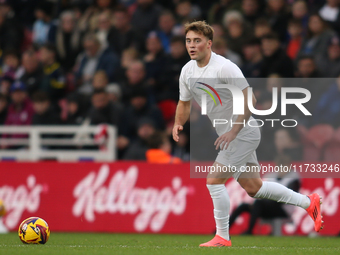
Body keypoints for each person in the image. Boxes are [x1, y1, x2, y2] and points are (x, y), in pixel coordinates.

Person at [172, 21, 323, 247]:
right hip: (231, 134)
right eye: (188, 41)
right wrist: (177, 123)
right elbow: (184, 103)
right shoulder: (187, 71)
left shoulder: (225, 67)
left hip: (243, 132)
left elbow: (250, 100)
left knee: (213, 180)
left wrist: (234, 130)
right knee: (255, 188)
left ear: (209, 43)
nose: (192, 45)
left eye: (197, 41)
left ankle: (222, 236)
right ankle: (308, 202)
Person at [229, 155, 301, 235]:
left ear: (289, 166)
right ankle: (223, 231)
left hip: (283, 209)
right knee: (243, 206)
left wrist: (266, 199)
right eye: (279, 166)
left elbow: (286, 198)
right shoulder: (271, 176)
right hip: (267, 206)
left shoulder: (294, 178)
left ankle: (249, 231)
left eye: (284, 166)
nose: (281, 169)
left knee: (259, 203)